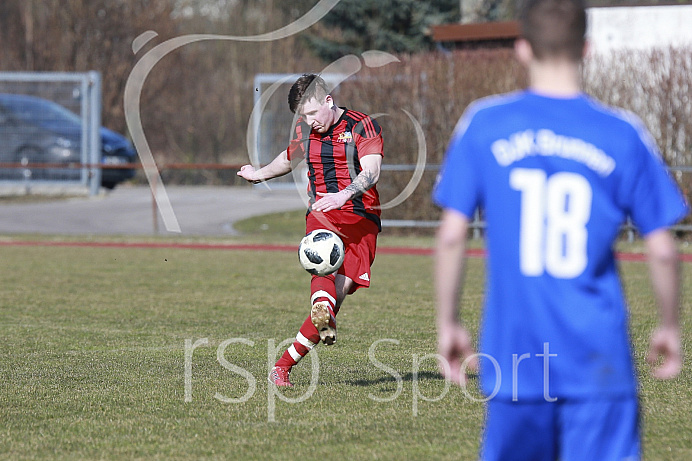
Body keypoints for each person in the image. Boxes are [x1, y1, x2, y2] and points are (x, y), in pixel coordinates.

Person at [433, 0, 688, 459]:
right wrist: (670, 325)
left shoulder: (484, 123)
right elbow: (664, 249)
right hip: (598, 361)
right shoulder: (622, 132)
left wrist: (448, 323)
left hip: (515, 359)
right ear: (587, 48)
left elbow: (452, 235)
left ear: (522, 49)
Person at [238, 73, 383, 387]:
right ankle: (282, 368)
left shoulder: (361, 125)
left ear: (328, 101)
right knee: (321, 263)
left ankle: (313, 325)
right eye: (303, 116)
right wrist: (258, 174)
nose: (309, 121)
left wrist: (344, 194)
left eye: (313, 112)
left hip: (360, 219)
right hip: (322, 215)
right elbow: (289, 159)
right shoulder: (305, 130)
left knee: (336, 297)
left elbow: (372, 170)